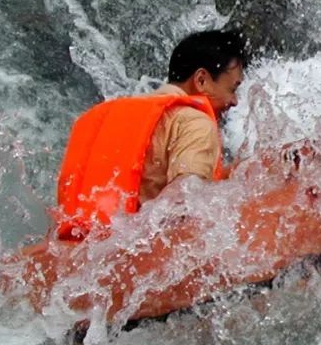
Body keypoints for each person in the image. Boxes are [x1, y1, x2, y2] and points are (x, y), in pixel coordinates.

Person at [55, 29, 247, 240]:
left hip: (80, 245)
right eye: (233, 89)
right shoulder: (196, 123)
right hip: (135, 250)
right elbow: (185, 200)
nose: (235, 101)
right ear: (201, 80)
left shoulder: (111, 117)